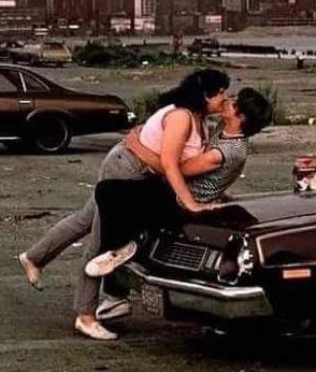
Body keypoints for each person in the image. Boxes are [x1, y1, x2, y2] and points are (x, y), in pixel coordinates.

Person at [17, 68, 231, 341]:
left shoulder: (197, 118)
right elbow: (169, 165)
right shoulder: (181, 117)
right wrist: (190, 203)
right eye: (220, 92)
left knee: (86, 219)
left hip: (132, 166)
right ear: (204, 95)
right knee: (101, 242)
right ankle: (85, 315)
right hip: (127, 170)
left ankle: (35, 257)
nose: (225, 97)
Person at [86, 86, 274, 279]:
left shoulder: (226, 152)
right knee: (106, 204)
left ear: (241, 117)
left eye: (234, 102)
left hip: (180, 200)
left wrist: (137, 146)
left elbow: (174, 169)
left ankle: (120, 254)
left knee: (107, 191)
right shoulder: (224, 129)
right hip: (177, 190)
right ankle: (123, 251)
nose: (228, 100)